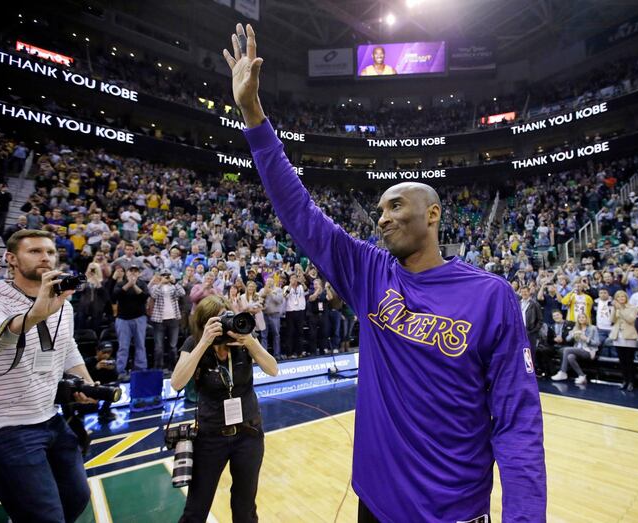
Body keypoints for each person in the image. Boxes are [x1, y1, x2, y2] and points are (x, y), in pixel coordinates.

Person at [225, 23, 545, 521]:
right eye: (379, 210)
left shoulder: (491, 295)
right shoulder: (369, 273)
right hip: (373, 503)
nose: (384, 217)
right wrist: (252, 114)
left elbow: (518, 423)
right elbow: (300, 212)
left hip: (451, 513)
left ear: (433, 213)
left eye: (397, 205)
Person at [0, 230, 93, 522]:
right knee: (44, 515)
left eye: (51, 252)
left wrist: (87, 383)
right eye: (35, 251)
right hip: (3, 427)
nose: (45, 258)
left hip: (49, 417)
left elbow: (67, 349)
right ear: (11, 259)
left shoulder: (63, 304)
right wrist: (34, 315)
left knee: (76, 497)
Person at [171, 295, 278, 522]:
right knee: (196, 507)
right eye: (216, 320)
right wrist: (203, 343)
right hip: (210, 437)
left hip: (248, 433)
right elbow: (177, 382)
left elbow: (273, 369)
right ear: (204, 323)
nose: (224, 324)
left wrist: (251, 342)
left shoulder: (243, 340)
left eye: (226, 317)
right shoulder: (194, 343)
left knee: (245, 506)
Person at [113, 265, 149, 379]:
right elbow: (116, 295)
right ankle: (120, 371)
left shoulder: (142, 284)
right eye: (131, 271)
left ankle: (141, 370)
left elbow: (144, 297)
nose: (133, 273)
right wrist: (129, 284)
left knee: (140, 345)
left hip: (139, 318)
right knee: (123, 346)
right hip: (123, 319)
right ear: (126, 273)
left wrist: (134, 286)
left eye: (135, 271)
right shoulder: (120, 283)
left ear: (139, 273)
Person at [149, 270, 186, 371]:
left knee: (173, 346)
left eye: (168, 275)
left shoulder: (174, 286)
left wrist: (174, 282)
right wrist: (161, 283)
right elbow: (153, 295)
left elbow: (182, 293)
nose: (166, 277)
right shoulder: (156, 286)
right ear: (160, 276)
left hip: (173, 319)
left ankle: (173, 368)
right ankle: (158, 368)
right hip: (159, 320)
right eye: (164, 275)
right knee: (159, 347)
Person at [550, 312, 599, 385]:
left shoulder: (593, 328)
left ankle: (563, 372)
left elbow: (597, 343)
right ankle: (582, 376)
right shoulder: (575, 328)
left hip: (588, 351)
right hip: (577, 349)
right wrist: (572, 334)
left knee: (566, 349)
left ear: (587, 319)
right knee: (570, 357)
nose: (581, 319)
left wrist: (586, 339)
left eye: (583, 317)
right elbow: (567, 339)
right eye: (579, 317)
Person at [610, 290, 638, 391]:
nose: (621, 298)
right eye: (619, 297)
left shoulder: (632, 307)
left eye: (623, 296)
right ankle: (625, 380)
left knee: (629, 360)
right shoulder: (615, 308)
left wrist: (621, 309)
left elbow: (630, 320)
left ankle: (631, 381)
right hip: (618, 336)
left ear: (626, 297)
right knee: (622, 361)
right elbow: (612, 320)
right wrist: (614, 309)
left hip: (629, 335)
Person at [519, 285, 543, 355]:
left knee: (530, 352)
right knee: (521, 351)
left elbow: (540, 320)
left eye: (525, 292)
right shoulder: (518, 303)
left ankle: (531, 366)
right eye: (522, 292)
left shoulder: (535, 304)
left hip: (530, 332)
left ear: (529, 292)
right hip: (520, 331)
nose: (524, 293)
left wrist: (533, 331)